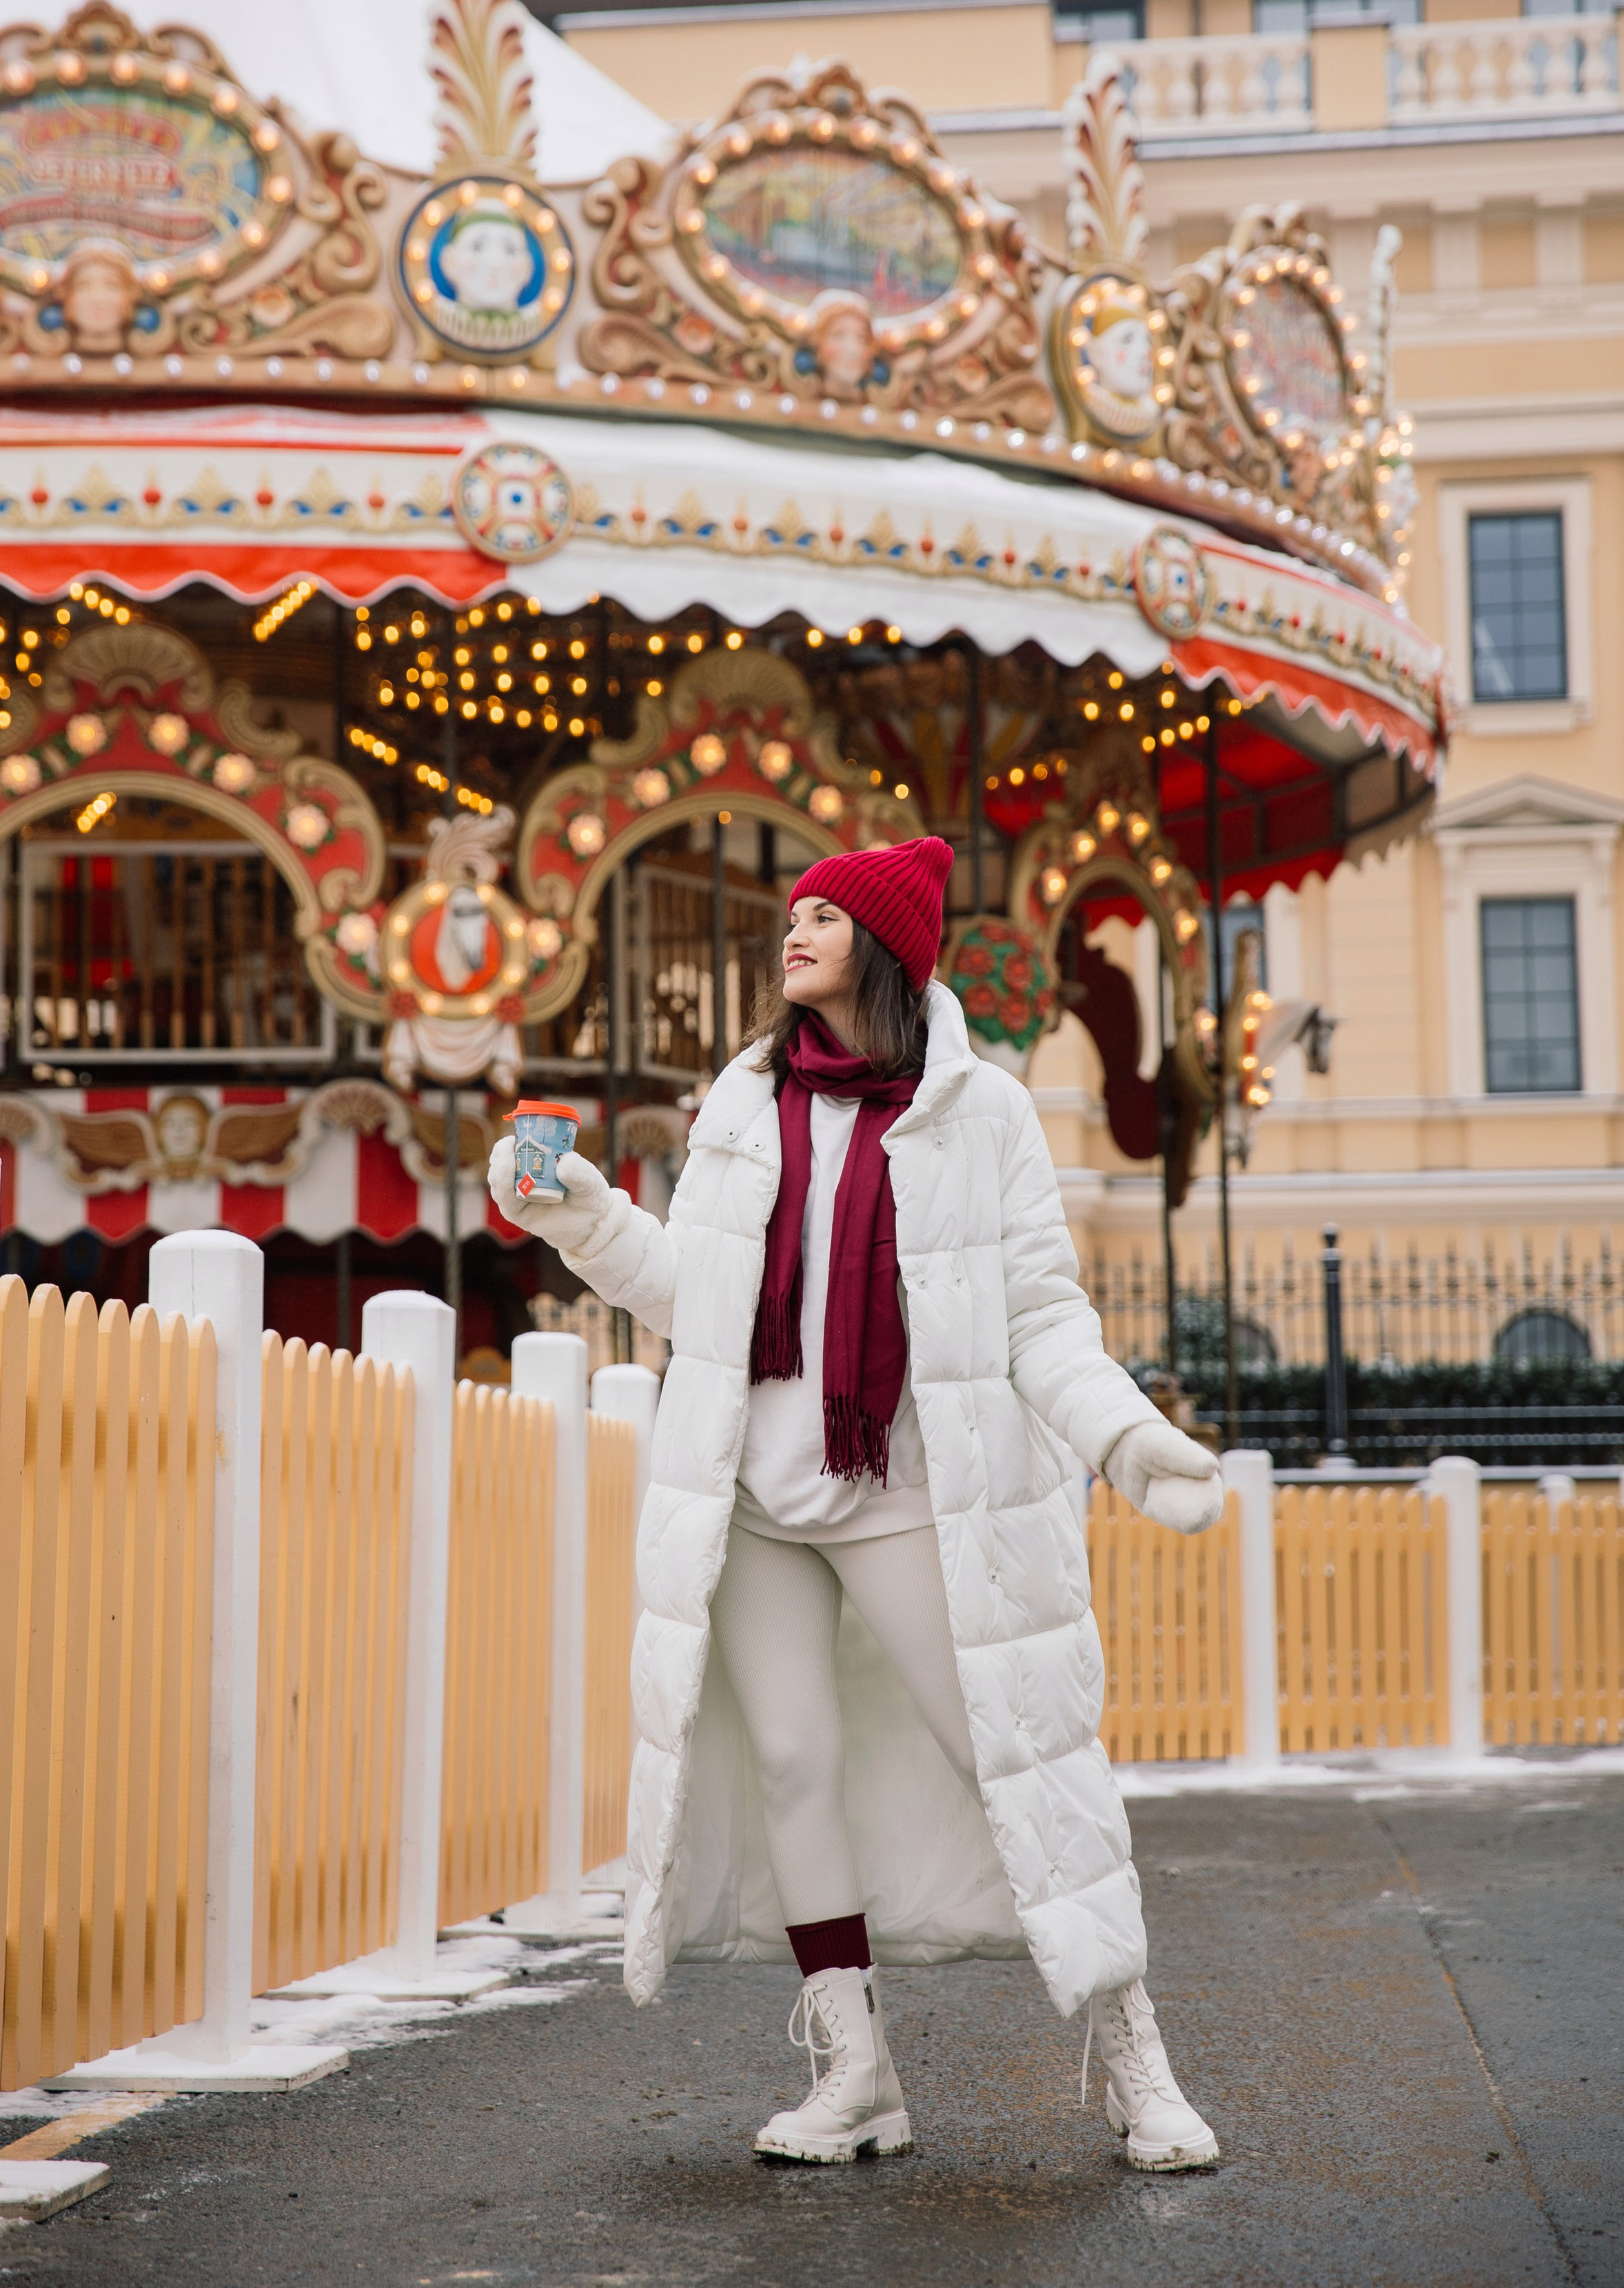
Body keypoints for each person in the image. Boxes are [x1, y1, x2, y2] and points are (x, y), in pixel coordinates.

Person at [489, 835, 1223, 2174]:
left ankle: (1136, 2063)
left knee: (1009, 1755)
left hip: (903, 1493)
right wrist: (578, 1212)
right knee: (788, 1761)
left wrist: (1123, 1433)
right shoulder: (744, 1099)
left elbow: (1040, 1318)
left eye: (822, 912)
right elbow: (690, 1295)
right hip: (758, 1497)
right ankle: (854, 2071)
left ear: (882, 943)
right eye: (791, 912)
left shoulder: (976, 1111)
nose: (793, 930)